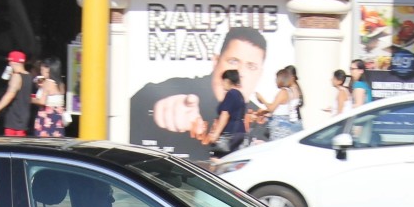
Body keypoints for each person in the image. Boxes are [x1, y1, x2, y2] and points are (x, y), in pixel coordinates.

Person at [130, 26, 268, 158]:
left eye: (251, 67)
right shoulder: (179, 92)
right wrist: (156, 109)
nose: (240, 73)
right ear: (216, 62)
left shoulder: (261, 123)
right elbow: (133, 107)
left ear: (260, 75)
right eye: (233, 61)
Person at [201, 68, 248, 157]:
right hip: (240, 132)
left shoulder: (231, 94)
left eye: (222, 81)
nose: (222, 84)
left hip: (230, 132)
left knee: (218, 158)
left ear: (227, 80)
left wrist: (216, 134)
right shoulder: (239, 95)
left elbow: (225, 115)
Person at [0, 50, 31, 136]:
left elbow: (10, 95)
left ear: (12, 62)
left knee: (11, 145)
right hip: (24, 117)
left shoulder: (16, 76)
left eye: (10, 61)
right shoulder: (28, 76)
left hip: (14, 118)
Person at [256, 67, 304, 140]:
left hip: (279, 127)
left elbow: (272, 108)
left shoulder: (283, 92)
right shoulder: (290, 91)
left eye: (276, 78)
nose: (275, 81)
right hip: (285, 124)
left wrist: (261, 99)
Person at [32, 56, 67, 138]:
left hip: (48, 116)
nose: (41, 72)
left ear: (48, 70)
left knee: (44, 140)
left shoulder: (48, 82)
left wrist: (29, 99)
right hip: (58, 115)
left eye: (42, 70)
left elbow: (42, 101)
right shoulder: (61, 84)